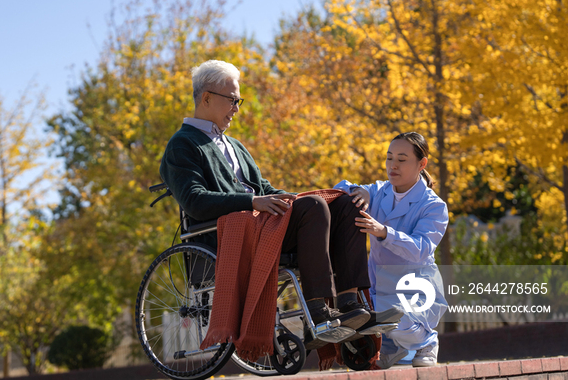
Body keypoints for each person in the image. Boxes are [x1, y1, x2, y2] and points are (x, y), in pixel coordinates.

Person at [160, 60, 399, 351]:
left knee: (344, 205)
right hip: (231, 235)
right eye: (232, 100)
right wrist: (253, 201)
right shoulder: (182, 145)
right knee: (312, 208)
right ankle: (318, 312)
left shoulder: (235, 146)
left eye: (239, 101)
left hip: (265, 224)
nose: (236, 108)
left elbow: (267, 190)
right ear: (206, 97)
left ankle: (350, 305)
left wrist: (297, 198)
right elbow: (195, 200)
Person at [334, 132, 448, 368]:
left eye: (402, 159)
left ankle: (426, 340)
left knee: (398, 319)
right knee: (370, 318)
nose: (393, 165)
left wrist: (384, 232)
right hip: (379, 284)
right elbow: (338, 189)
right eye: (389, 158)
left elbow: (421, 249)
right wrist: (358, 190)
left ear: (421, 164)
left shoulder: (434, 206)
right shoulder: (378, 191)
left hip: (416, 287)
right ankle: (389, 346)